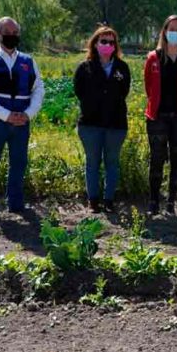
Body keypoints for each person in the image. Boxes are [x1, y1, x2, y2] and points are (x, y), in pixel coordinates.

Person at [0, 17, 45, 219]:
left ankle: (15, 204)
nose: (12, 36)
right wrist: (6, 116)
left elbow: (38, 89)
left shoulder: (28, 62)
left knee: (19, 162)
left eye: (15, 33)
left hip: (22, 122)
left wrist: (27, 114)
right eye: (7, 32)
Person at [144, 15, 177, 216]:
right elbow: (148, 86)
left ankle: (171, 201)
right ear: (165, 31)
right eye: (171, 28)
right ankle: (153, 201)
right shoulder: (153, 57)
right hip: (157, 116)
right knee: (157, 158)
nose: (175, 32)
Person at [74, 25, 130, 214]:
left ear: (116, 45)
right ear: (95, 43)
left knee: (112, 162)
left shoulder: (122, 68)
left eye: (111, 42)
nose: (107, 45)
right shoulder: (84, 68)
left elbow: (124, 92)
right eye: (103, 41)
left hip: (116, 124)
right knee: (92, 162)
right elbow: (79, 92)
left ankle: (109, 199)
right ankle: (93, 200)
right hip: (90, 124)